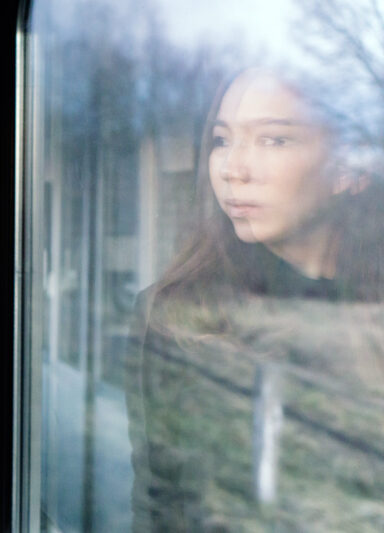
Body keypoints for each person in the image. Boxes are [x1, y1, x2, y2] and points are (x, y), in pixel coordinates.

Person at [125, 68, 384, 531]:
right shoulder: (173, 315)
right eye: (222, 140)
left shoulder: (367, 320)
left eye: (273, 140)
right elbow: (160, 500)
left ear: (349, 167)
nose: (233, 169)